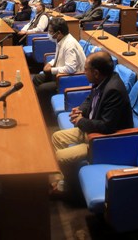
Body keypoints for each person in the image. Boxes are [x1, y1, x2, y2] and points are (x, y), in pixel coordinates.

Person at [50, 52, 133, 190]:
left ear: (95, 72)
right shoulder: (102, 80)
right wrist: (80, 110)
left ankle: (72, 190)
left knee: (60, 156)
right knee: (56, 137)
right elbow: (90, 99)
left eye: (86, 69)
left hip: (102, 140)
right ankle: (66, 179)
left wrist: (80, 121)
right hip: (91, 130)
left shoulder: (113, 90)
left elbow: (107, 126)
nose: (83, 71)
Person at [32, 17, 86, 105]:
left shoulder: (69, 45)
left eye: (50, 31)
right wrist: (50, 63)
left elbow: (70, 68)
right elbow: (58, 57)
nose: (48, 34)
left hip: (72, 78)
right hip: (61, 74)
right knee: (37, 78)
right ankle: (40, 104)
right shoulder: (61, 39)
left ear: (59, 33)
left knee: (42, 89)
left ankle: (46, 113)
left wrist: (52, 70)